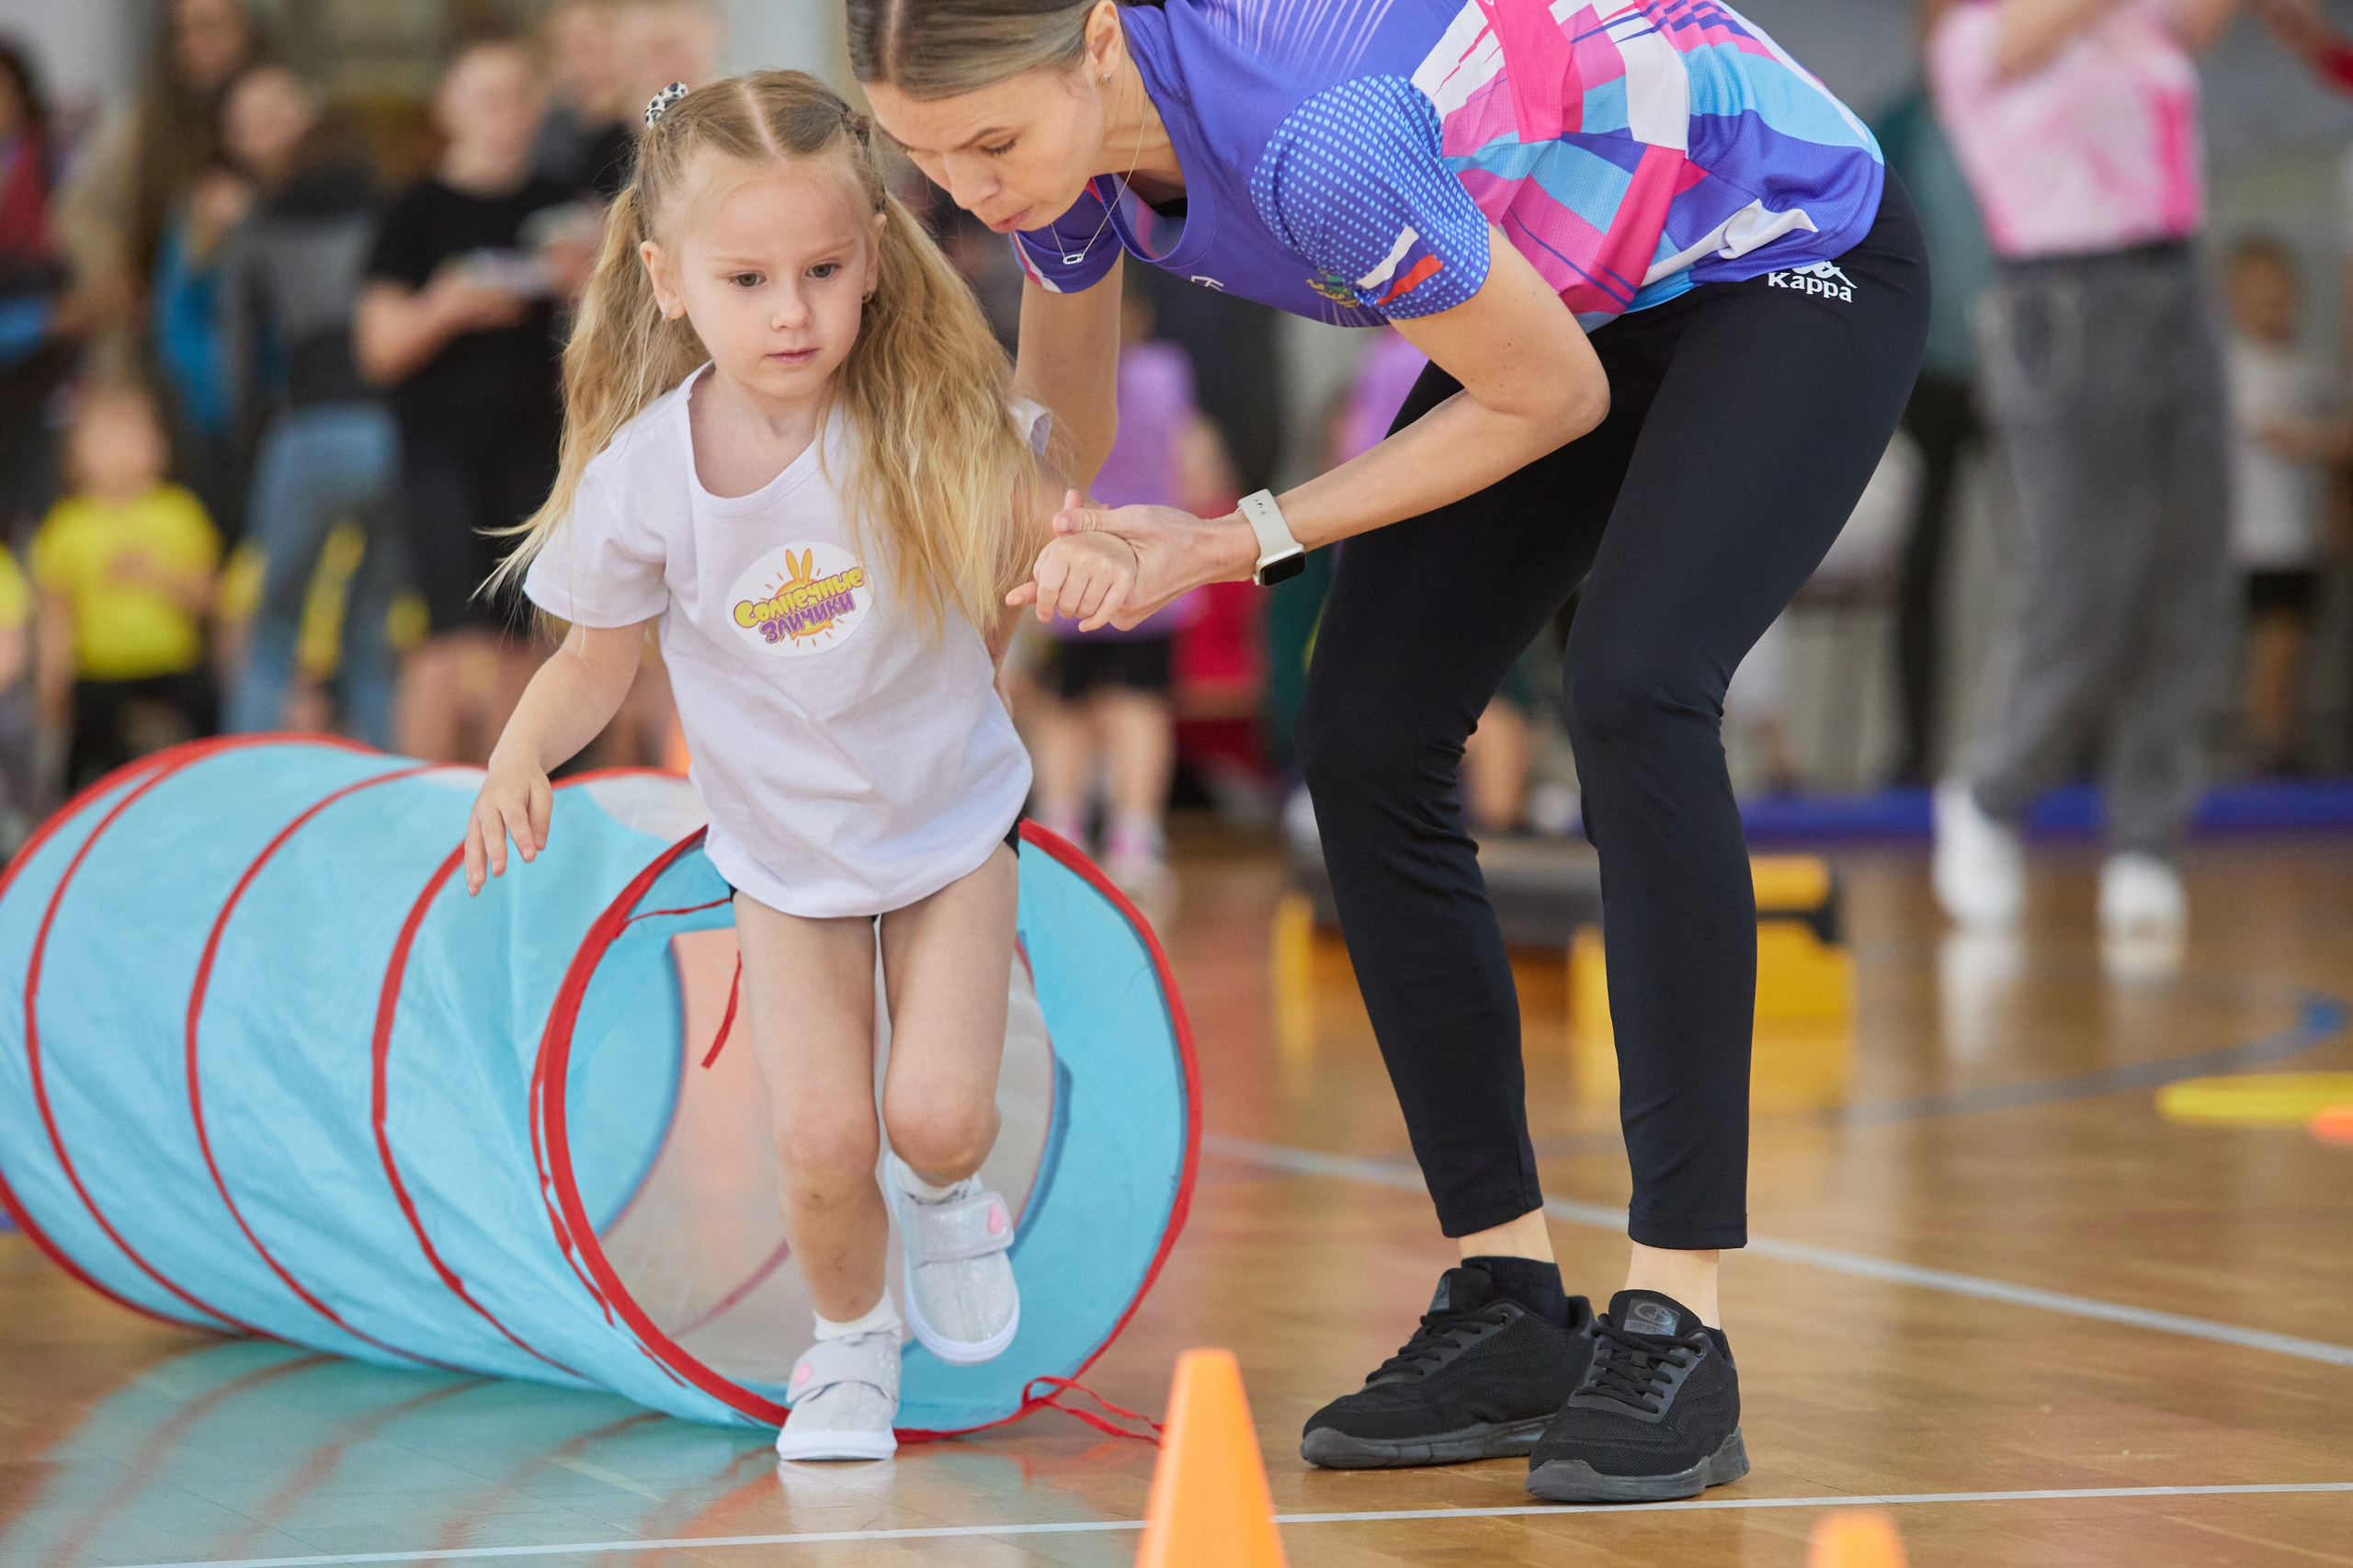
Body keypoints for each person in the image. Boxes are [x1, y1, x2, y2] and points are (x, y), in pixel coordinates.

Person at [856, 0, 1927, 1505]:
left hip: (1774, 246)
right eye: (925, 159)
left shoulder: (1322, 143)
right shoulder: (1059, 158)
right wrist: (968, 626)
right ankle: (1506, 1302)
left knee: (1635, 683)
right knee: (1360, 734)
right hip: (1570, 284)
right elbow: (1065, 425)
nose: (973, 188)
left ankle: (1680, 1311)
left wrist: (1235, 540)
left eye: (988, 145)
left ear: (1096, 44)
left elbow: (1547, 397)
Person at [464, 71, 1124, 1462]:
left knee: (935, 1113)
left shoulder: (919, 417)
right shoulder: (649, 472)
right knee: (822, 1137)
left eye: (823, 270)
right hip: (781, 856)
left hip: (949, 820)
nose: (790, 311)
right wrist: (520, 748)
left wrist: (1067, 541)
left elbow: (1045, 497)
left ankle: (950, 1196)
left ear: (875, 259)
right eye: (748, 277)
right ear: (664, 280)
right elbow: (596, 657)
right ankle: (847, 1347)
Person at [1929, 0, 2238, 937]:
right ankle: (1991, 795)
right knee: (2079, 583)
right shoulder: (1976, 40)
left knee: (2188, 573)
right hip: (2064, 307)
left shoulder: (2140, 25)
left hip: (2177, 287)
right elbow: (2035, 32)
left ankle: (2146, 837)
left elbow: (2203, 22)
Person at [357, 40, 580, 765]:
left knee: (521, 634)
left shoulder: (560, 205)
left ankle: (510, 797)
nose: (502, 116)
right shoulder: (415, 210)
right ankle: (423, 813)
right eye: (484, 98)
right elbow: (380, 346)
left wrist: (586, 282)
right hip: (439, 450)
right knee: (446, 639)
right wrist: (447, 306)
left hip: (535, 444)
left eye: (516, 96)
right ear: (448, 108)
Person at [216, 66, 404, 748]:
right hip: (390, 430)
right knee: (371, 627)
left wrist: (245, 442)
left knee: (274, 627)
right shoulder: (391, 214)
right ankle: (392, 793)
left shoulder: (260, 230)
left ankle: (251, 790)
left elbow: (237, 357)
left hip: (310, 427)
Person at [1019, 267, 1197, 908]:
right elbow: (1192, 458)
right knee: (1139, 706)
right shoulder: (1166, 374)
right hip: (1152, 569)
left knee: (1064, 707)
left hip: (1069, 564)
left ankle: (1062, 833)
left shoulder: (1050, 383)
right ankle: (1135, 837)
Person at [56, 0, 266, 379]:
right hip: (166, 323)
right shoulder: (149, 123)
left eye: (213, 26)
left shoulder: (272, 105)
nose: (200, 43)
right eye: (185, 31)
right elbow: (81, 209)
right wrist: (116, 273)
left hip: (258, 320)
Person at [33, 385, 222, 790]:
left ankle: (215, 788)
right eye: (107, 439)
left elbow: (210, 599)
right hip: (99, 672)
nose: (121, 450)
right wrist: (52, 678)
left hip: (172, 663)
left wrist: (160, 576)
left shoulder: (180, 513)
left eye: (134, 435)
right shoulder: (67, 525)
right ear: (75, 456)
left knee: (205, 715)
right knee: (82, 751)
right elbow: (56, 611)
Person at [2221, 237, 2339, 777]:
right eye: (2263, 296)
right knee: (2275, 645)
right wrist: (2334, 440)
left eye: (2283, 295)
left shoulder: (2307, 369)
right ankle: (2262, 746)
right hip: (2257, 539)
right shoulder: (2236, 369)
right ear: (2236, 300)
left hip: (2301, 536)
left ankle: (2282, 739)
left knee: (2298, 646)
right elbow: (2280, 436)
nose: (2276, 307)